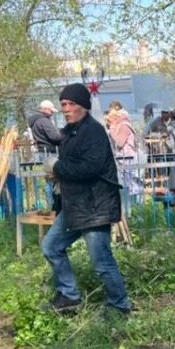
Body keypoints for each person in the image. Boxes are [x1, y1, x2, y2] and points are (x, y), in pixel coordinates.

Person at [41, 83, 132, 316]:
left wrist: (58, 168)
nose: (66, 109)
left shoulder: (93, 131)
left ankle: (119, 306)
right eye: (63, 104)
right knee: (51, 246)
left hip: (95, 206)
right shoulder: (70, 132)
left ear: (84, 106)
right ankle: (69, 295)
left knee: (102, 262)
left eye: (71, 104)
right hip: (75, 206)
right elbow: (72, 165)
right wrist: (58, 175)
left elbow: (91, 167)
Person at [107, 107, 143, 204]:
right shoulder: (121, 126)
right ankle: (132, 206)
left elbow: (120, 142)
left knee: (132, 185)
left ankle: (135, 206)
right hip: (124, 159)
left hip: (128, 159)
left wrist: (112, 128)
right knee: (128, 184)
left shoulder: (124, 126)